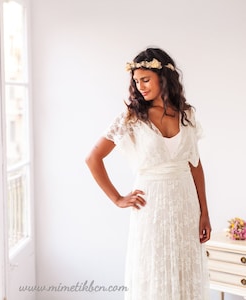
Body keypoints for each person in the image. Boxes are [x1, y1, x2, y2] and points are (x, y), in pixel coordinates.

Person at [85, 47, 211, 300]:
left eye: (146, 80)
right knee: (153, 271)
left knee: (184, 270)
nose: (140, 87)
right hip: (151, 207)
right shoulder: (131, 118)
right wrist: (118, 198)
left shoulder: (187, 115)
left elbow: (195, 165)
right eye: (136, 82)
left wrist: (205, 213)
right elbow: (93, 158)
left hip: (186, 206)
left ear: (163, 78)